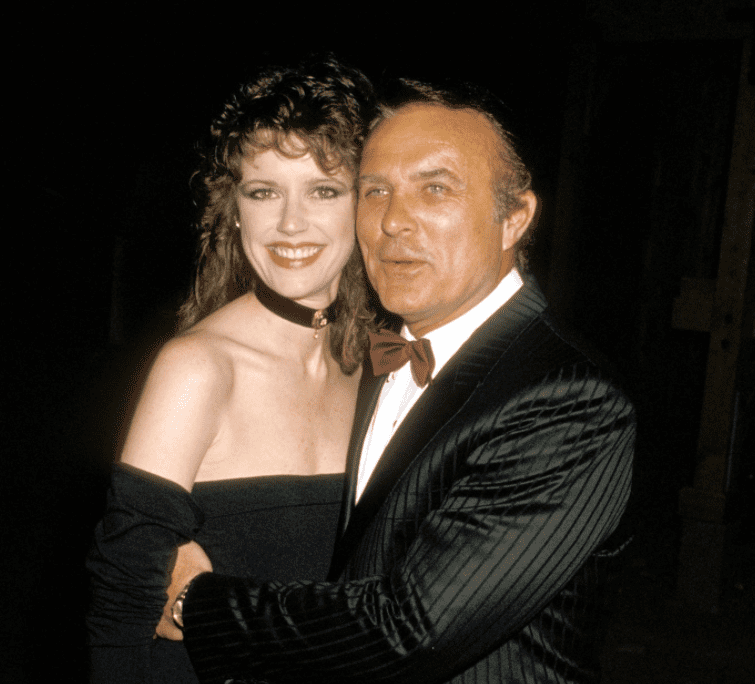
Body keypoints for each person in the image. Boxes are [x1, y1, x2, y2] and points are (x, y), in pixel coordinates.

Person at [161, 79, 636, 684]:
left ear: (514, 217)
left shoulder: (569, 401)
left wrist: (195, 603)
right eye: (375, 190)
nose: (393, 222)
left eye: (435, 189)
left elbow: (413, 630)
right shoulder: (362, 359)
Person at [85, 56, 376, 683]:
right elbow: (118, 610)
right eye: (264, 191)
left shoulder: (377, 368)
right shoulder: (198, 368)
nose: (291, 224)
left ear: (363, 203)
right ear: (235, 208)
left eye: (323, 190)